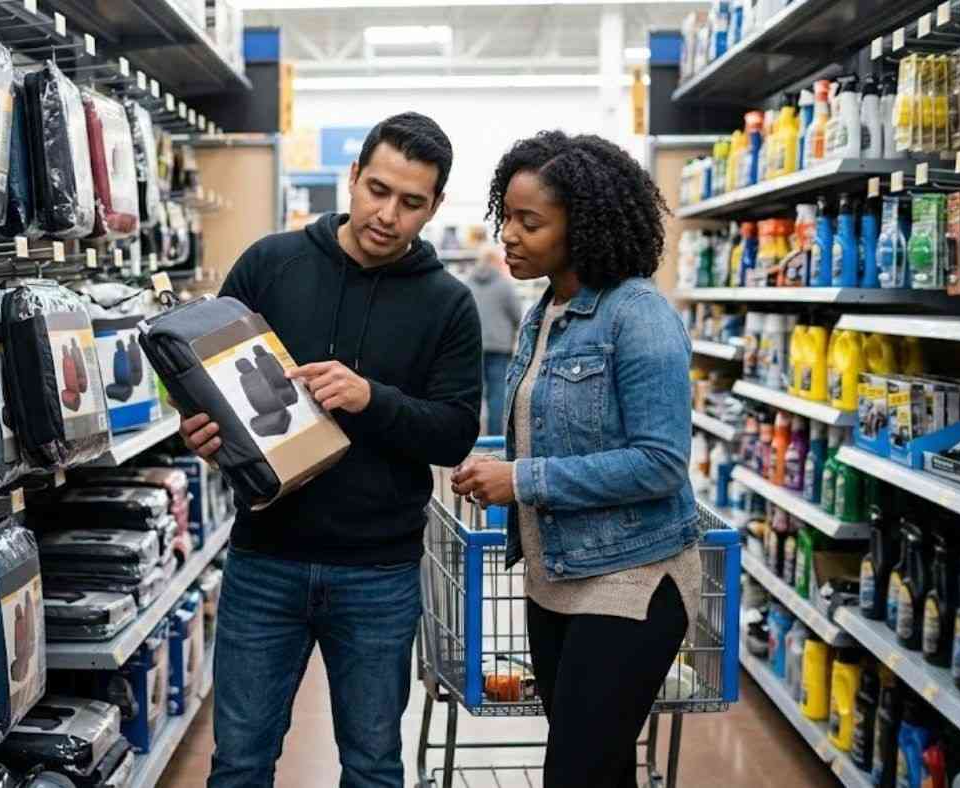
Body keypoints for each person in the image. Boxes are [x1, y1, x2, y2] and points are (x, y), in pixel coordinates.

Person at [180, 112, 483, 787]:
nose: (387, 215)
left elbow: (455, 430)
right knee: (239, 764)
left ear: (434, 207)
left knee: (374, 767)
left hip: (379, 574)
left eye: (411, 203)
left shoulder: (448, 304)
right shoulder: (270, 264)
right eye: (377, 190)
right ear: (353, 177)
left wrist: (371, 399)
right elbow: (207, 378)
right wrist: (202, 433)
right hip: (266, 559)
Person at [450, 131, 700, 788]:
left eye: (529, 222)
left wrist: (522, 479)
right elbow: (559, 433)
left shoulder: (638, 315)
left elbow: (660, 463)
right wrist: (495, 464)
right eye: (506, 215)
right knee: (599, 769)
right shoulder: (546, 312)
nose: (508, 234)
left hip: (631, 580)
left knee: (574, 773)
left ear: (582, 226)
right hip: (554, 573)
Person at [463, 245, 522, 435]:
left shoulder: (467, 283)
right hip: (499, 346)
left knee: (472, 394)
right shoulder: (504, 285)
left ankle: (471, 435)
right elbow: (517, 315)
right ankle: (496, 437)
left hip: (472, 347)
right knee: (497, 394)